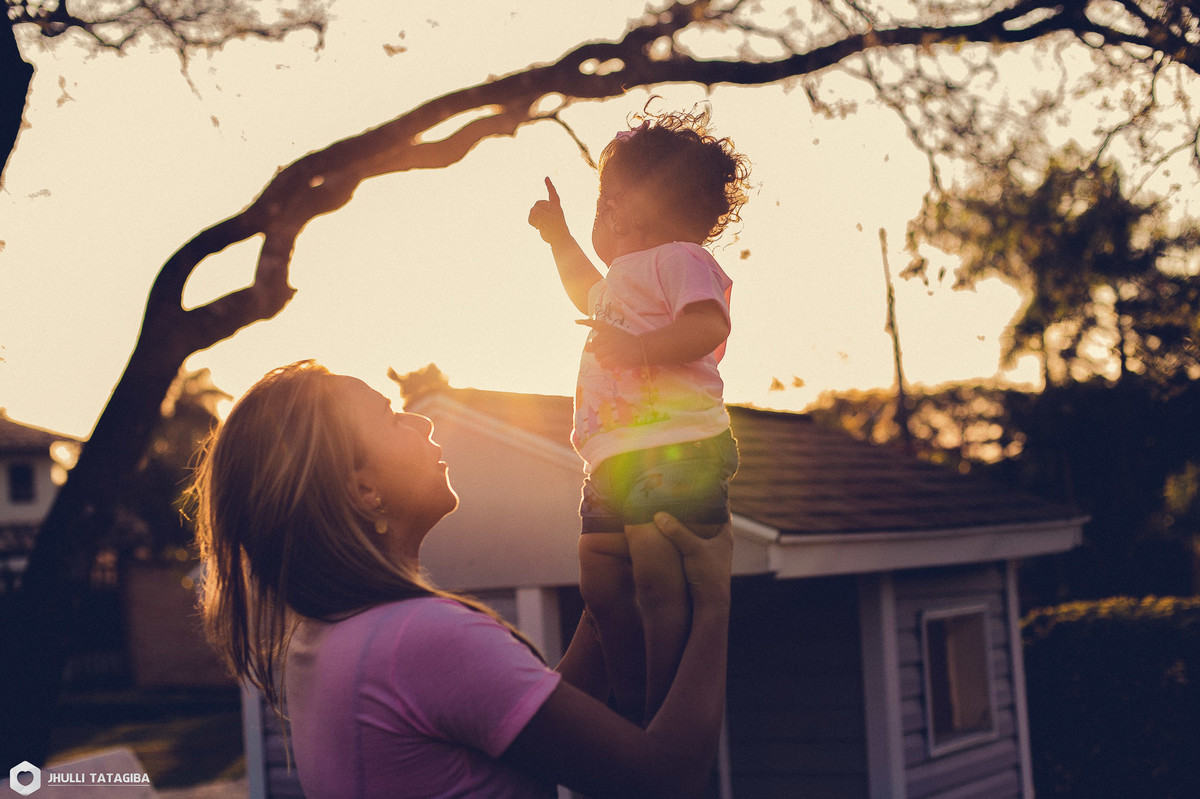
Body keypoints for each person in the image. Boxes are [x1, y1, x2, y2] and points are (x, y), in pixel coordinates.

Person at [191, 360, 732, 799]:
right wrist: (713, 604)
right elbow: (665, 777)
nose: (421, 421)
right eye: (391, 418)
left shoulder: (328, 637)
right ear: (364, 491)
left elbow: (520, 722)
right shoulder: (424, 638)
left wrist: (602, 605)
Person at [527, 106, 750, 722]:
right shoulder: (626, 277)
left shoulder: (679, 259)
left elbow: (708, 324)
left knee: (656, 580)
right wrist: (559, 239)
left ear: (630, 206)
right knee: (601, 582)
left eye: (604, 200)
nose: (600, 211)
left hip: (676, 449)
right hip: (613, 460)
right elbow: (584, 289)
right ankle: (629, 708)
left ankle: (661, 707)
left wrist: (641, 347)